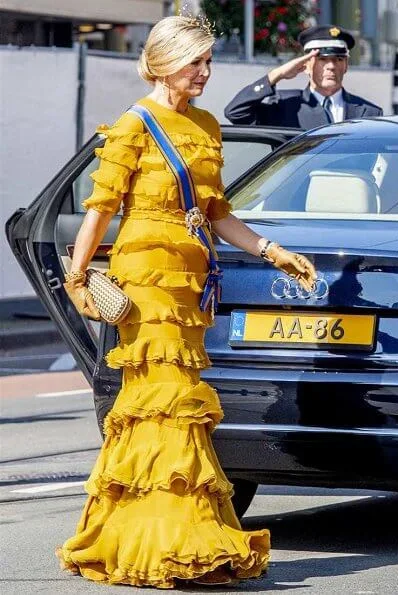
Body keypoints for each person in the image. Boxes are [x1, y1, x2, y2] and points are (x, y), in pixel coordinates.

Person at [55, 15, 316, 589]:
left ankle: (166, 530)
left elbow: (218, 213)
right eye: (196, 61)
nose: (206, 72)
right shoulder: (133, 125)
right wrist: (77, 275)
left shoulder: (204, 125)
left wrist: (273, 250)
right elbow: (100, 210)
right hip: (145, 281)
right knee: (164, 401)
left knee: (176, 403)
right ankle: (167, 539)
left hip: (191, 281)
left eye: (208, 61)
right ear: (166, 60)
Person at [225, 25, 383, 129]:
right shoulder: (286, 106)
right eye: (323, 59)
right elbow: (236, 112)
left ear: (346, 65)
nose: (331, 66)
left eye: (338, 59)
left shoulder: (369, 113)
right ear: (306, 64)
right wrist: (276, 75)